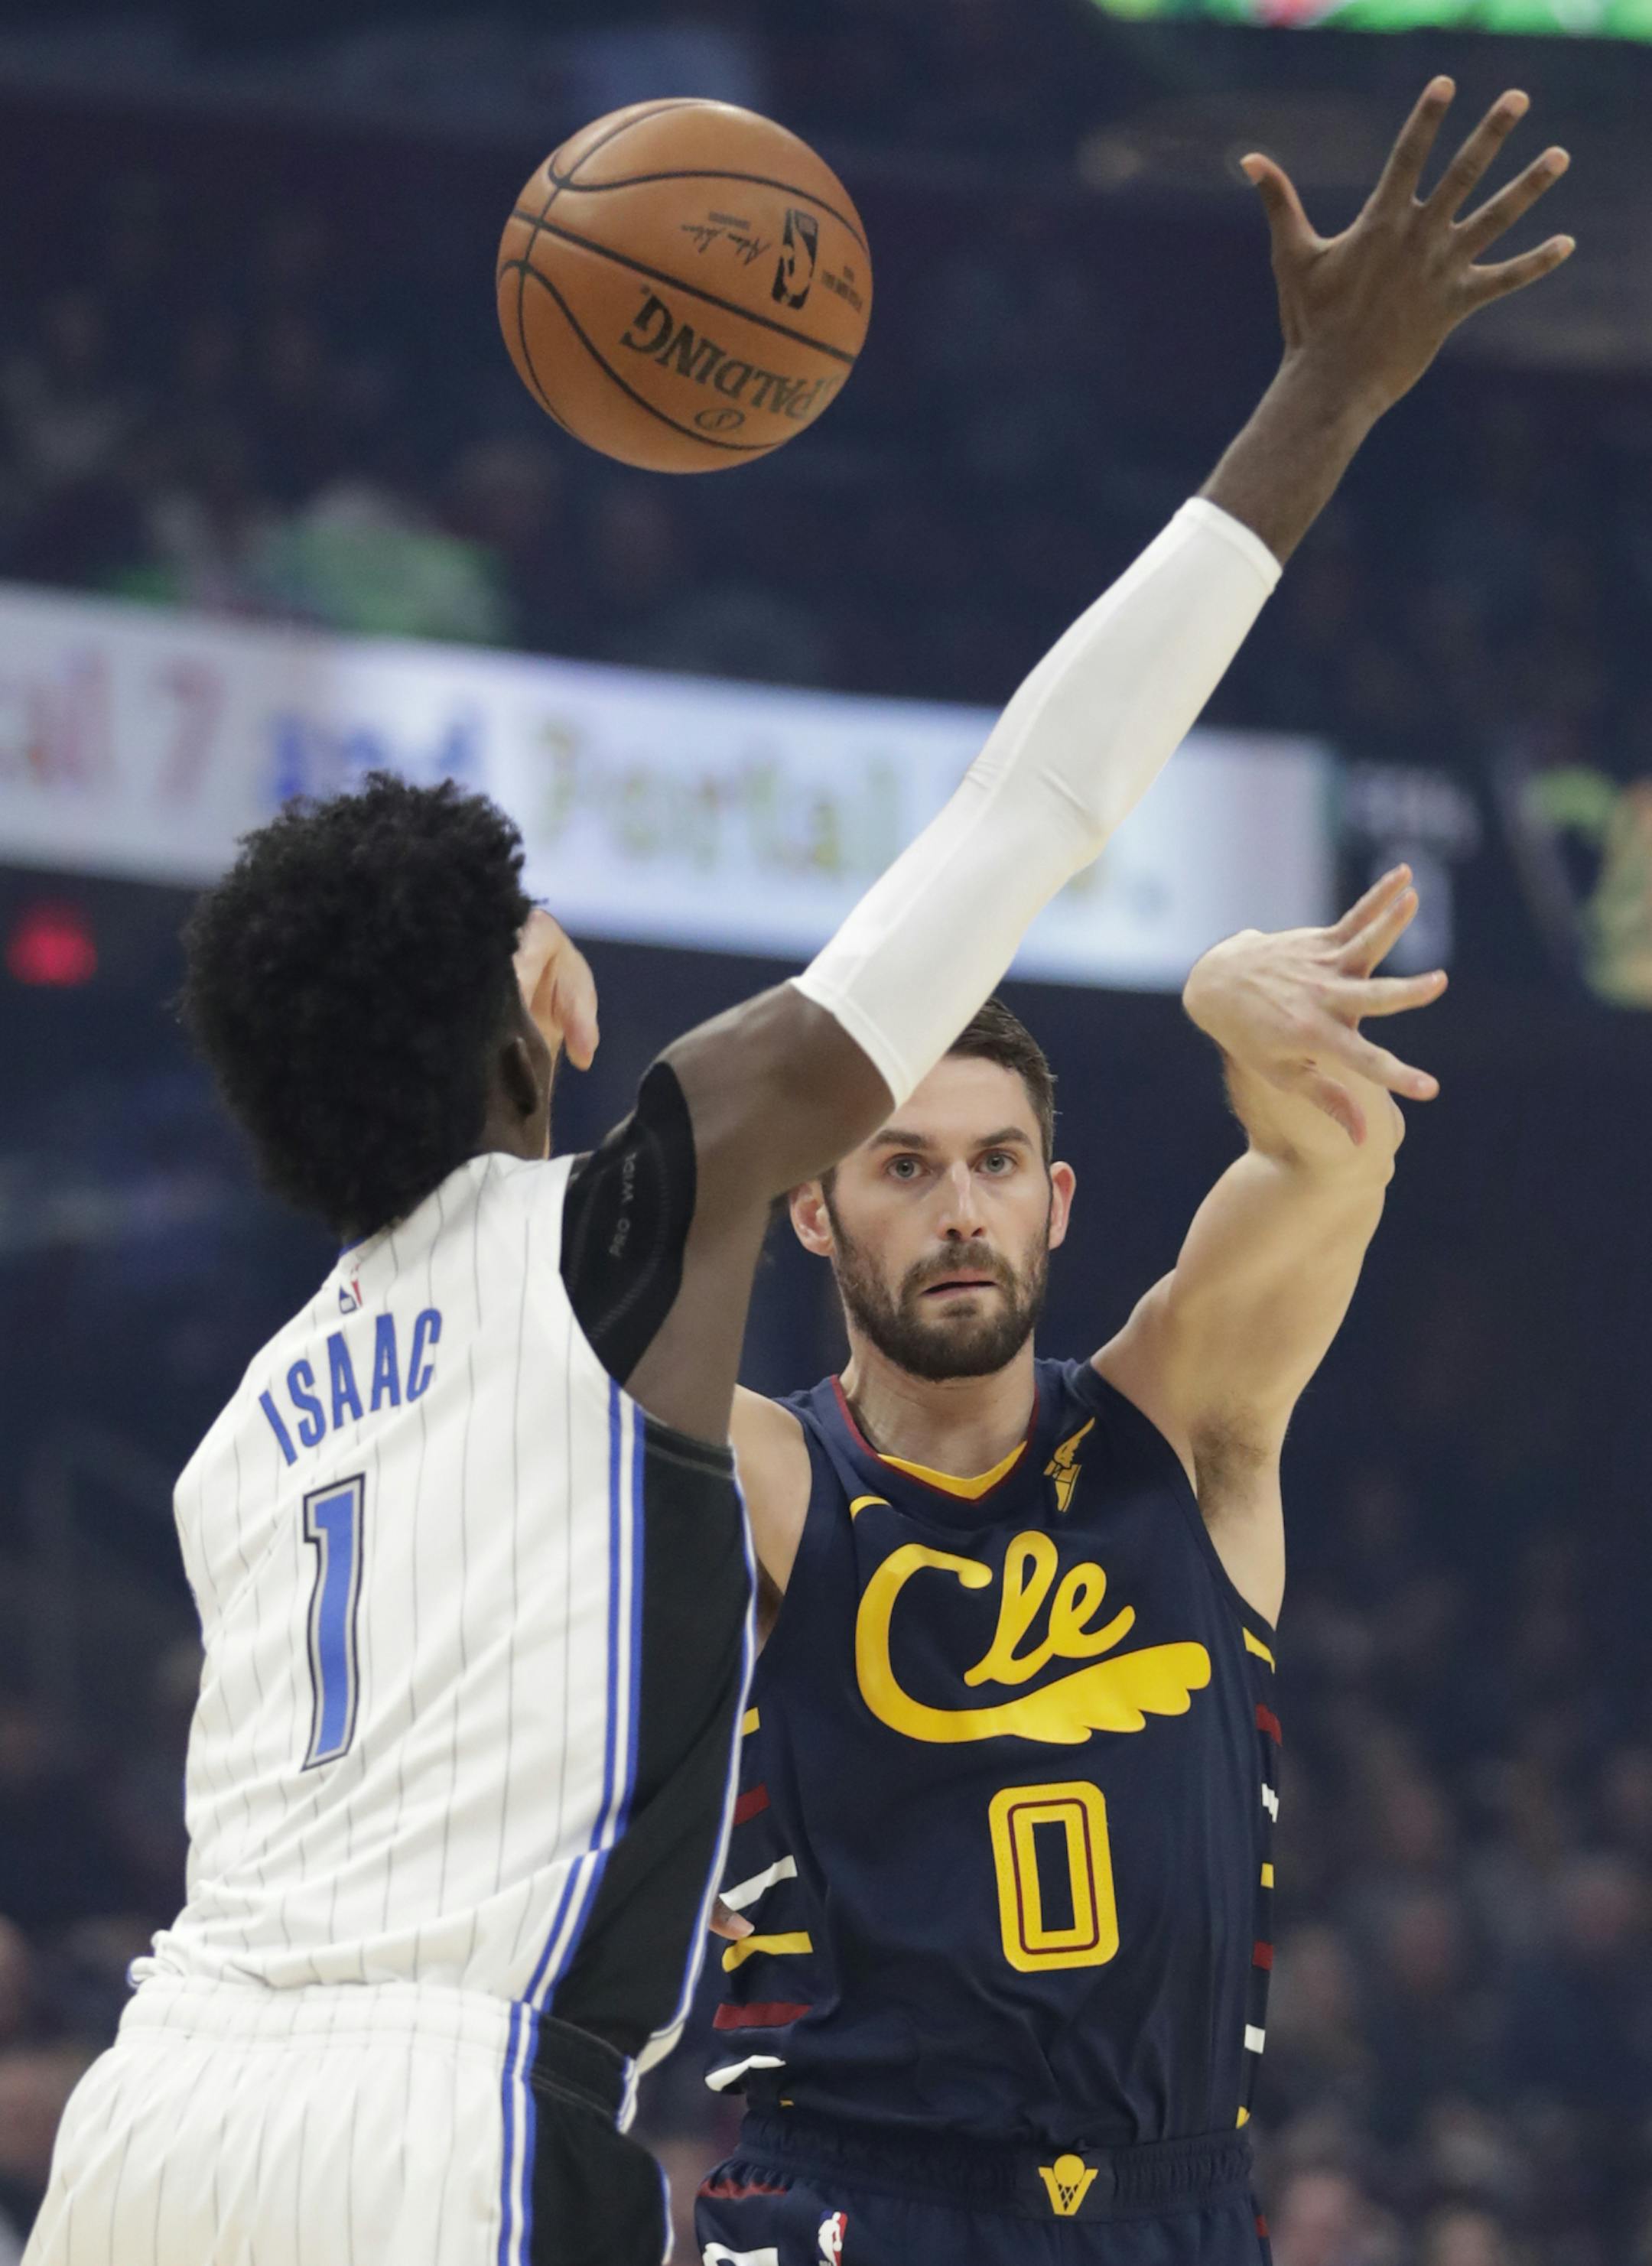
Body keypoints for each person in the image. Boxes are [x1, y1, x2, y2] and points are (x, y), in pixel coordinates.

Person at [25, 73, 1568, 2266]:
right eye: (537, 924)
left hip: (149, 2111)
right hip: (442, 2120)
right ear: (533, 1015)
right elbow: (1031, 801)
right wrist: (1325, 393)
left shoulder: (240, 1436)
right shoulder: (610, 1243)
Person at [694, 81, 1572, 2266]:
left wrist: (1239, 1017)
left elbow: (1336, 1167)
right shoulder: (768, 1480)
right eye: (904, 1163)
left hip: (1173, 2205)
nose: (958, 1205)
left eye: (1000, 1162)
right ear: (813, 1206)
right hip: (846, 2197)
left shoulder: (1185, 1426)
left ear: (1061, 1204)